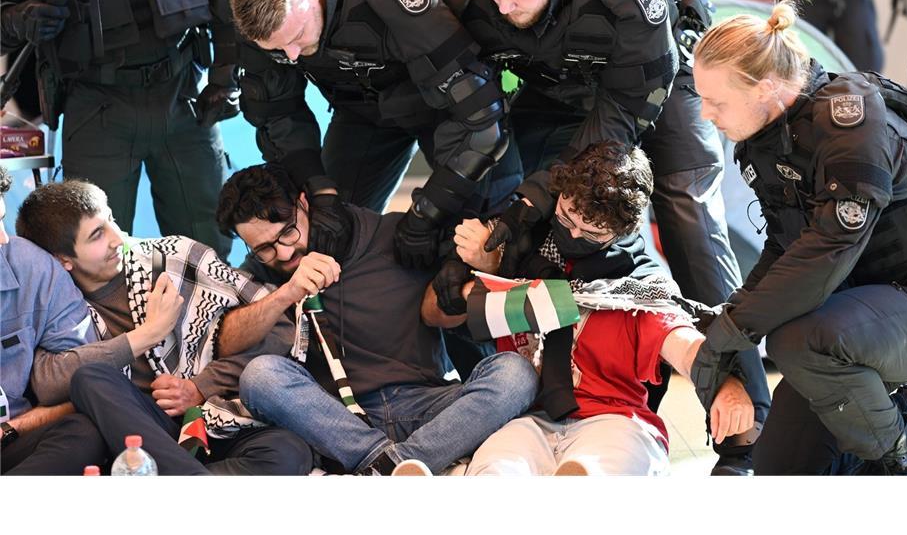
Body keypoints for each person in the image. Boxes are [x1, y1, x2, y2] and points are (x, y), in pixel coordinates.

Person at [444, 0, 771, 474]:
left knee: (687, 215)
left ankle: (746, 424)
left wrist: (539, 194)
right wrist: (507, 210)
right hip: (558, 88)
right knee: (509, 194)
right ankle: (519, 397)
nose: (502, 8)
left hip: (653, 85)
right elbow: (467, 102)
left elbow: (618, 122)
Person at [690, 1, 907, 475]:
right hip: (859, 318)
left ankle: (905, 463)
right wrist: (729, 319)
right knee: (784, 471)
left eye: (717, 102)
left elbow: (821, 259)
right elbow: (784, 248)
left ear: (767, 88)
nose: (706, 114)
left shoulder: (852, 126)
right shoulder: (770, 132)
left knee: (795, 343)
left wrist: (732, 334)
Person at [425, 141, 753, 475]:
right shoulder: (519, 245)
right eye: (567, 220)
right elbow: (432, 312)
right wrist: (480, 275)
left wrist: (724, 383)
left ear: (621, 233)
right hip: (526, 418)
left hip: (615, 418)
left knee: (595, 470)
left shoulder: (637, 287)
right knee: (496, 469)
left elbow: (681, 342)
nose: (575, 234)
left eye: (592, 233)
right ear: (558, 196)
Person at [1, 0, 245, 258]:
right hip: (94, 102)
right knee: (95, 258)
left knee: (209, 244)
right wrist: (21, 20)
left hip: (182, 93)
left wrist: (227, 74)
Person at [214, 163, 538, 476]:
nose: (283, 253)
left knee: (515, 372)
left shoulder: (395, 234)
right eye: (265, 248)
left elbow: (458, 300)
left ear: (304, 202)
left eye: (288, 232)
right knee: (259, 375)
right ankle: (398, 465)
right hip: (334, 420)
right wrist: (287, 291)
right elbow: (226, 342)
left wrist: (485, 263)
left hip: (428, 406)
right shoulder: (265, 269)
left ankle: (387, 466)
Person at [229, 0, 512, 271]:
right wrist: (320, 192)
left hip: (445, 110)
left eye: (298, 36)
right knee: (322, 235)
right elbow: (276, 113)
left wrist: (426, 213)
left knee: (479, 239)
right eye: (277, 49)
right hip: (360, 110)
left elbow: (483, 120)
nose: (292, 56)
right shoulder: (256, 7)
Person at [15, 178, 312, 475]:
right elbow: (48, 383)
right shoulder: (61, 305)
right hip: (147, 434)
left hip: (220, 418)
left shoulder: (173, 257)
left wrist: (200, 386)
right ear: (63, 259)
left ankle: (175, 485)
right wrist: (151, 333)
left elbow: (281, 328)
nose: (117, 238)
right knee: (90, 379)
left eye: (111, 220)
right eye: (96, 235)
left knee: (289, 452)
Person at [0, 165, 108, 475]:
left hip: (11, 436)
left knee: (85, 432)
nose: (4, 239)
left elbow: (82, 383)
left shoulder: (33, 267)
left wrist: (12, 428)